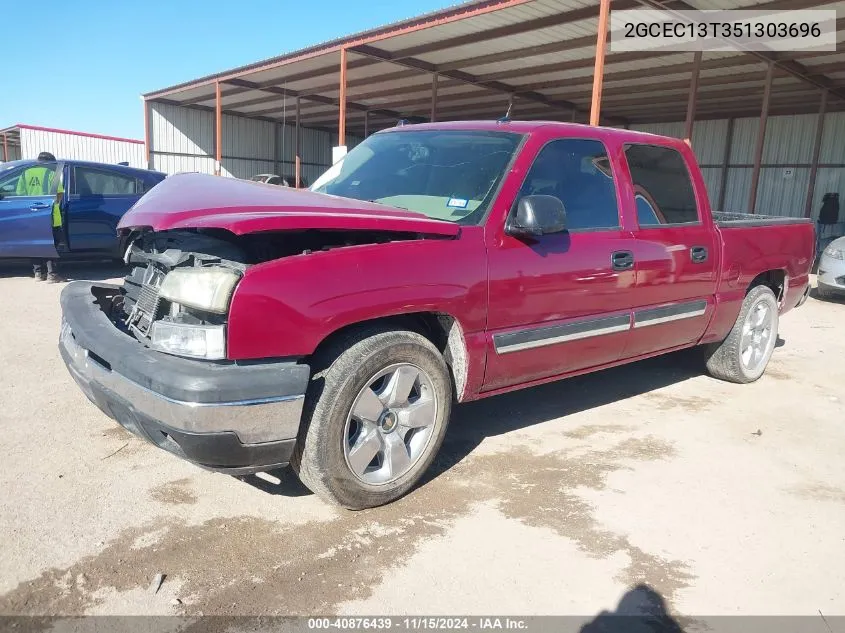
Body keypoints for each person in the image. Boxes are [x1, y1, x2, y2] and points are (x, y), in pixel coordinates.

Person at [27, 152, 65, 283]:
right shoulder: (51, 174)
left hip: (31, 214)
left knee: (34, 245)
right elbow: (59, 194)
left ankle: (38, 273)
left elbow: (21, 192)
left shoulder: (26, 173)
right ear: (49, 163)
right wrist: (55, 204)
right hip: (50, 216)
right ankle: (52, 275)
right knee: (51, 245)